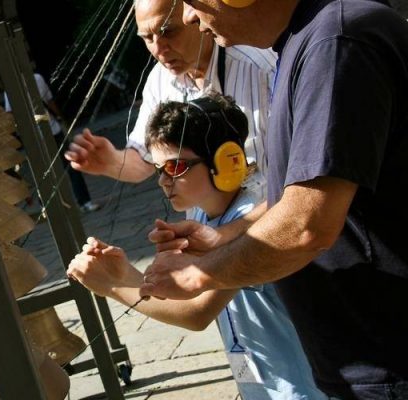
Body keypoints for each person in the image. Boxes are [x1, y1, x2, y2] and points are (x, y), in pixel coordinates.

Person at [126, 1, 408, 398]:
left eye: (193, 1)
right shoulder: (311, 40)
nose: (190, 17)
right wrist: (223, 238)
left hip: (390, 360)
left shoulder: (335, 43)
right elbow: (298, 197)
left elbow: (307, 225)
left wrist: (197, 273)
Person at [69, 94, 325, 399]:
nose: (163, 180)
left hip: (298, 388)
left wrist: (114, 285)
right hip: (262, 384)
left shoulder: (250, 225)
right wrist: (125, 272)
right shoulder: (202, 216)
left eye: (175, 167)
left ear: (225, 161)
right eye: (159, 169)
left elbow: (196, 312)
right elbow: (182, 291)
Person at [64, 0, 275, 206]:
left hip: (271, 217)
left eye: (168, 31)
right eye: (147, 38)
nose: (158, 49)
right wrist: (112, 161)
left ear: (195, 14)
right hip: (207, 221)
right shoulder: (159, 79)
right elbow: (144, 160)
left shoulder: (261, 68)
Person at [5, 72, 100, 212]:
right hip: (40, 133)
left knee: (63, 167)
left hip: (48, 130)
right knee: (52, 170)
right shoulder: (22, 83)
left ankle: (79, 201)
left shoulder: (32, 80)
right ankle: (69, 203)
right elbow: (48, 102)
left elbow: (13, 113)